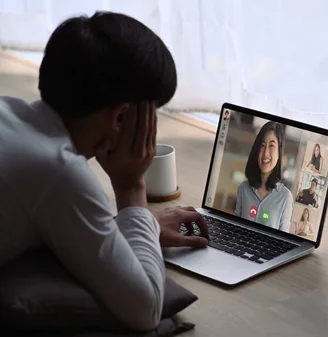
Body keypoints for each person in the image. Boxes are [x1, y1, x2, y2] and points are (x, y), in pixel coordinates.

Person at [0, 11, 210, 332]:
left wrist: (143, 226)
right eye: (150, 118)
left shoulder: (10, 111)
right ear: (121, 117)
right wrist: (131, 187)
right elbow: (146, 308)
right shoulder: (58, 171)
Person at [234, 121, 294, 232]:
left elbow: (282, 240)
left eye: (271, 146)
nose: (265, 153)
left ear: (279, 152)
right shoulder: (243, 188)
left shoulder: (285, 197)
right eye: (262, 145)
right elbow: (236, 228)